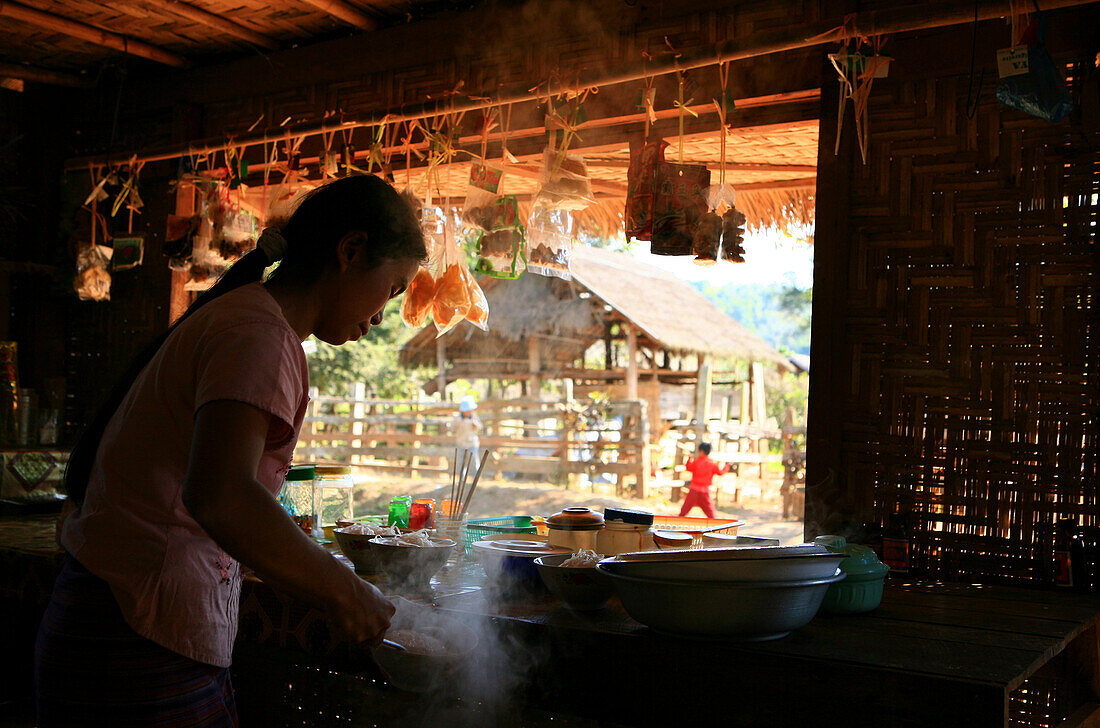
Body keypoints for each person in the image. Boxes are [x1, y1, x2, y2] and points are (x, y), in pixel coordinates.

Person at [35, 175, 426, 726]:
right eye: (391, 288)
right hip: (137, 640)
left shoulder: (252, 322)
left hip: (129, 625)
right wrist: (344, 590)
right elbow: (221, 494)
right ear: (351, 251)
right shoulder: (257, 335)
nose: (384, 313)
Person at [679, 442, 729, 519]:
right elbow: (720, 472)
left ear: (701, 451)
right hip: (704, 491)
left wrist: (689, 459)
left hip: (694, 490)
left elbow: (688, 467)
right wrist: (727, 466)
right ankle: (715, 525)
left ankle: (678, 521)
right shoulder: (711, 463)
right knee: (710, 513)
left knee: (684, 510)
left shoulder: (697, 461)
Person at [453, 395, 482, 471]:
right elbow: (453, 427)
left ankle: (475, 480)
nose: (469, 412)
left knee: (474, 463)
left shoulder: (474, 417)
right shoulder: (458, 418)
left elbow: (480, 427)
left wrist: (476, 425)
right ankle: (461, 481)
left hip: (472, 444)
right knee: (461, 464)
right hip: (461, 443)